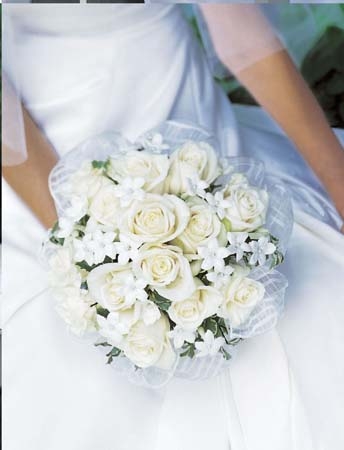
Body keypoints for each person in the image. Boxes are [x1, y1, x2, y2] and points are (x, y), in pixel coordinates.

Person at [2, 4, 344, 450]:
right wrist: (85, 244)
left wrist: (338, 183)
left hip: (181, 109)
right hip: (33, 147)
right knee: (72, 374)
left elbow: (242, 33)